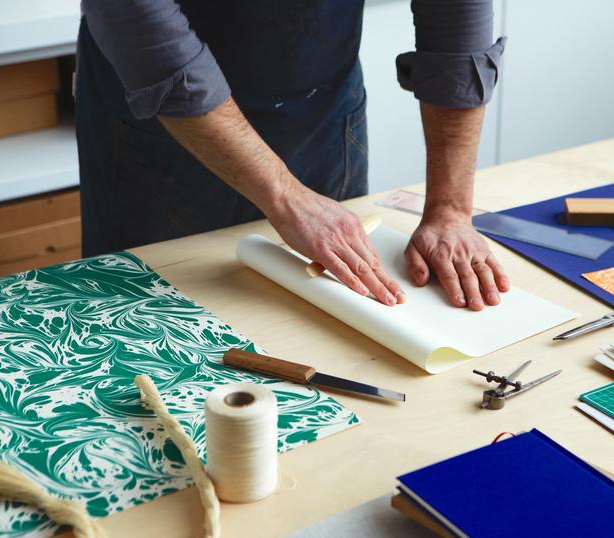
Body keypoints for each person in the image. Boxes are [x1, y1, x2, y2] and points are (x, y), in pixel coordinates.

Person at [76, 0, 510, 311]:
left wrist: (450, 209)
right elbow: (139, 20)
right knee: (154, 325)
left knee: (330, 314)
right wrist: (285, 196)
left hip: (319, 109)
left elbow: (455, 15)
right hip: (162, 130)